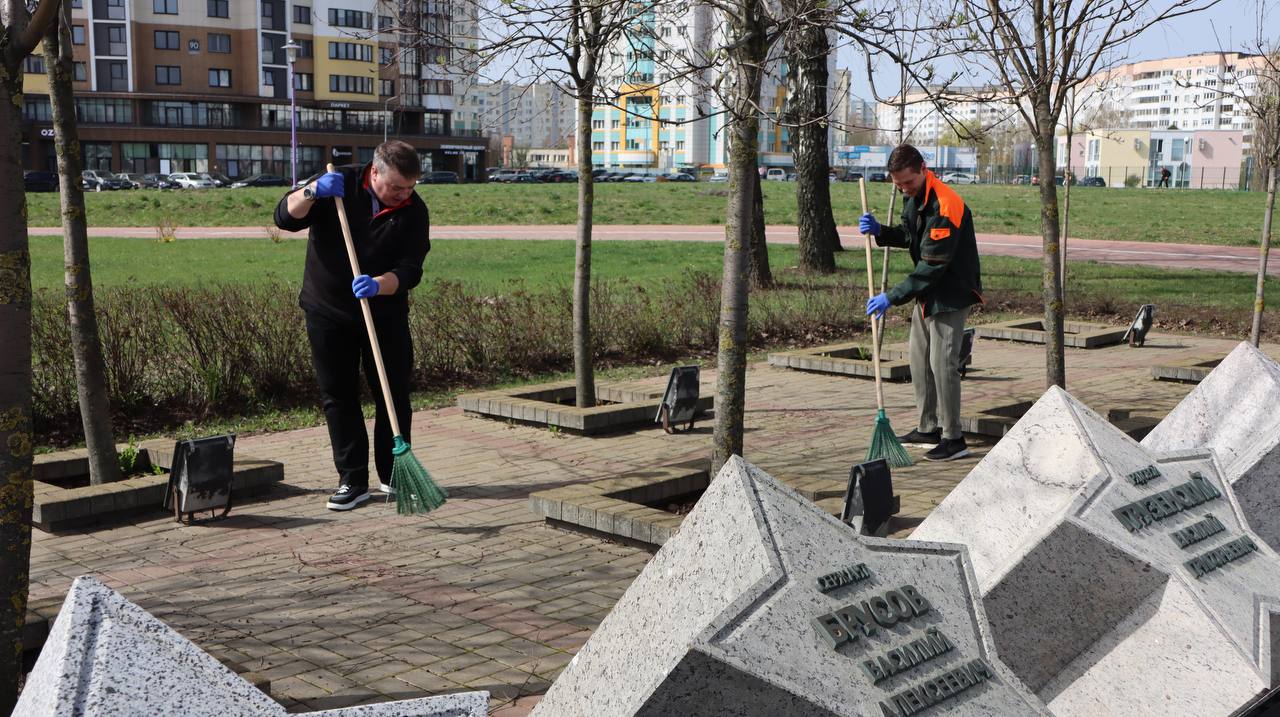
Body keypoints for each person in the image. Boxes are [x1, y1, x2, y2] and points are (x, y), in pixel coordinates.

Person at [274, 141, 430, 510]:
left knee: (392, 393)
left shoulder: (414, 210)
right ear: (374, 173)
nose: (402, 194)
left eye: (409, 187)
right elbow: (284, 217)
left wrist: (380, 283)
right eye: (395, 187)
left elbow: (411, 269)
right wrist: (311, 192)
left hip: (385, 313)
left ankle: (394, 476)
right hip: (327, 310)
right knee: (338, 395)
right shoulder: (337, 184)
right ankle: (352, 480)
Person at [859, 145, 983, 462]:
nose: (903, 189)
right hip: (927, 293)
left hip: (950, 293)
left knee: (943, 366)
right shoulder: (915, 196)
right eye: (898, 184)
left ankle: (954, 438)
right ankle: (927, 427)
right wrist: (880, 232)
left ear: (923, 169)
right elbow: (909, 234)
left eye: (908, 183)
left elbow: (931, 265)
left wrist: (891, 296)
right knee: (919, 360)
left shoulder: (946, 206)